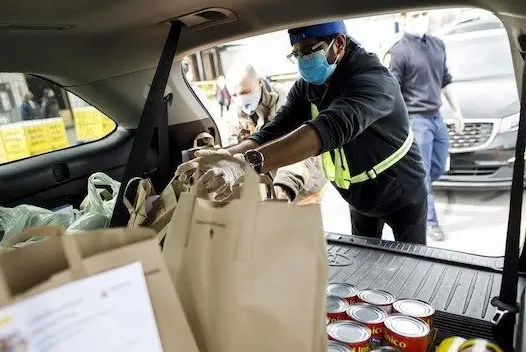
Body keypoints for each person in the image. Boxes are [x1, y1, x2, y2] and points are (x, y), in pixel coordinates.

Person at [178, 21, 428, 244]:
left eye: (309, 51)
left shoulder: (374, 81)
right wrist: (225, 156)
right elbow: (275, 130)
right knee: (366, 260)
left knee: (414, 267)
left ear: (338, 44)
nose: (303, 61)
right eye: (296, 54)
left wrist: (246, 165)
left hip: (401, 193)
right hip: (358, 195)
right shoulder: (309, 86)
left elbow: (328, 128)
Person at [387, 11, 464, 242]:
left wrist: (457, 110)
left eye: (423, 13)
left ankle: (410, 193)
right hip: (416, 120)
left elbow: (445, 80)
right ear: (403, 17)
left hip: (436, 118)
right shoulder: (399, 51)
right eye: (415, 14)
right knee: (423, 174)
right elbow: (392, 92)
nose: (421, 18)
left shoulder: (437, 45)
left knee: (437, 167)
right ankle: (430, 222)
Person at [226, 63, 326, 202]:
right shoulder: (234, 114)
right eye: (234, 95)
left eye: (245, 92)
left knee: (302, 218)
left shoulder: (286, 101)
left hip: (302, 184)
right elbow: (235, 145)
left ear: (259, 83)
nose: (240, 99)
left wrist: (285, 186)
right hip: (267, 186)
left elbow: (301, 148)